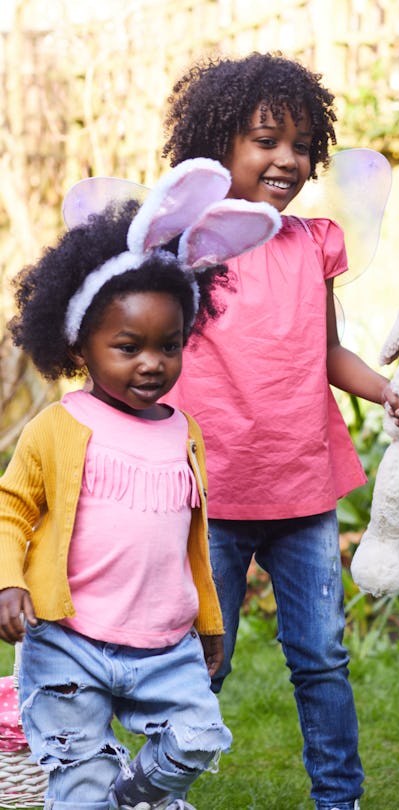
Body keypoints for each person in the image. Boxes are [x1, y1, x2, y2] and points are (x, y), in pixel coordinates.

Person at [161, 53, 399, 810]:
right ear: (218, 145)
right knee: (201, 661)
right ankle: (161, 789)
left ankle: (338, 799)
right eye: (266, 140)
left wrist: (390, 393)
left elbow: (330, 353)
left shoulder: (314, 243)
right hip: (208, 494)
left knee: (321, 658)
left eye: (303, 143)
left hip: (302, 488)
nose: (289, 159)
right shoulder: (184, 248)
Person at [0, 157, 272, 810]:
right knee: (77, 787)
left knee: (202, 736)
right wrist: (9, 579)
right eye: (129, 346)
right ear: (80, 343)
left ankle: (133, 797)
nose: (152, 363)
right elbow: (10, 508)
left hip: (164, 646)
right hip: (70, 645)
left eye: (169, 344)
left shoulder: (184, 432)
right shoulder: (58, 428)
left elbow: (190, 541)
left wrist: (209, 625)